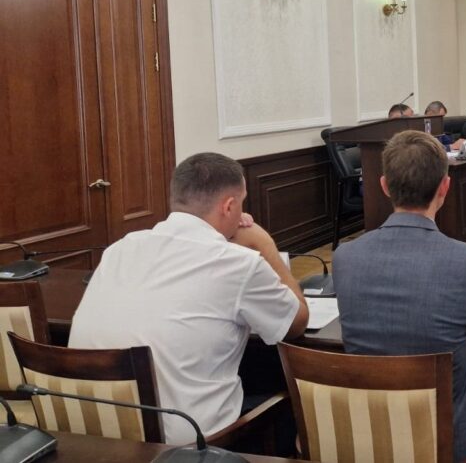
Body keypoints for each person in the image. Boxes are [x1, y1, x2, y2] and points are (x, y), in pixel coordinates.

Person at [69, 152, 309, 445]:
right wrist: (264, 244)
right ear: (229, 206)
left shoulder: (120, 248)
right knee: (288, 395)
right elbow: (295, 323)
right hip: (185, 444)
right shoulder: (238, 263)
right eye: (241, 203)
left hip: (90, 433)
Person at [333, 131, 466, 460]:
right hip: (455, 444)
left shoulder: (345, 257)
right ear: (445, 188)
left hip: (374, 437)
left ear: (384, 186)